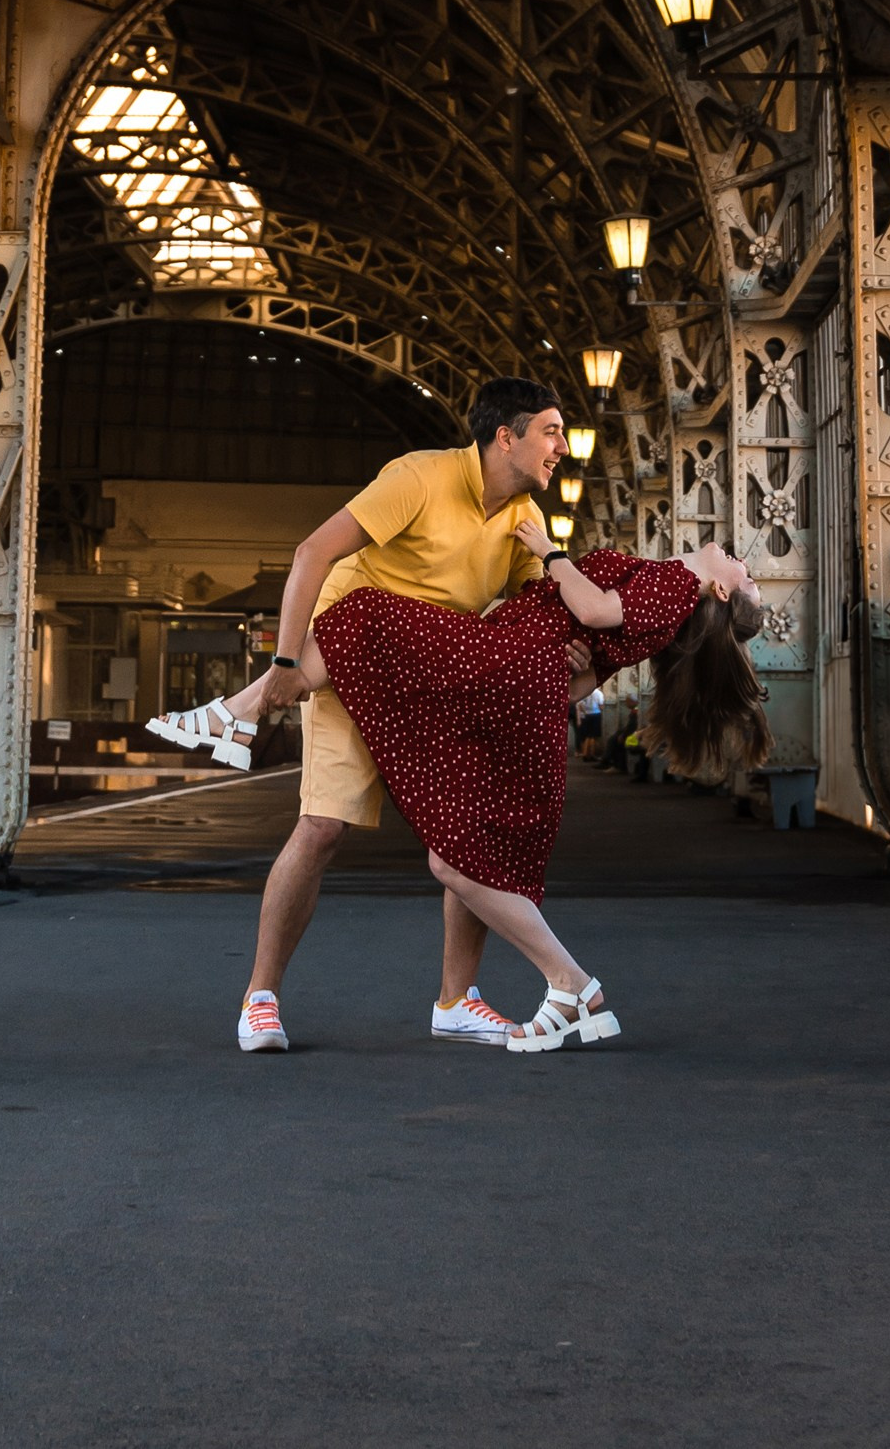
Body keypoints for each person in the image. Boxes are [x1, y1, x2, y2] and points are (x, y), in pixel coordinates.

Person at [155, 504, 769, 1055]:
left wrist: (550, 554)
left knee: (364, 614)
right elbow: (578, 681)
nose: (747, 565)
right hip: (517, 671)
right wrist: (554, 642)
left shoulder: (678, 584)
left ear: (718, 587)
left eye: (749, 578)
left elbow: (590, 607)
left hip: (504, 666)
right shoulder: (667, 596)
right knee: (463, 853)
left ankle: (234, 715)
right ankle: (520, 993)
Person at [148, 377, 572, 1053]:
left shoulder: (527, 520)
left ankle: (457, 1001)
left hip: (433, 679)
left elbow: (528, 611)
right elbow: (313, 551)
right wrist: (287, 663)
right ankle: (260, 997)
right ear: (505, 436)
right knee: (320, 829)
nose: (562, 447)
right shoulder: (420, 478)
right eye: (550, 431)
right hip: (356, 661)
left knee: (469, 841)